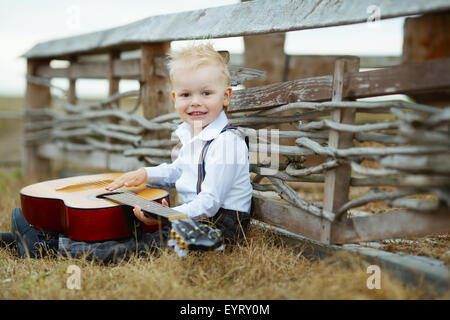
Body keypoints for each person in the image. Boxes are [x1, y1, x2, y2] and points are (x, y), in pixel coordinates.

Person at [0, 43, 252, 263]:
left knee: (143, 244)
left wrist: (166, 217)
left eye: (206, 93)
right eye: (186, 94)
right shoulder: (192, 132)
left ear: (226, 96)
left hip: (217, 228)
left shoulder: (226, 143)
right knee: (132, 222)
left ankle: (49, 246)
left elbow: (210, 203)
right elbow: (178, 170)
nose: (195, 101)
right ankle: (38, 235)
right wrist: (145, 174)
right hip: (193, 216)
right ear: (175, 98)